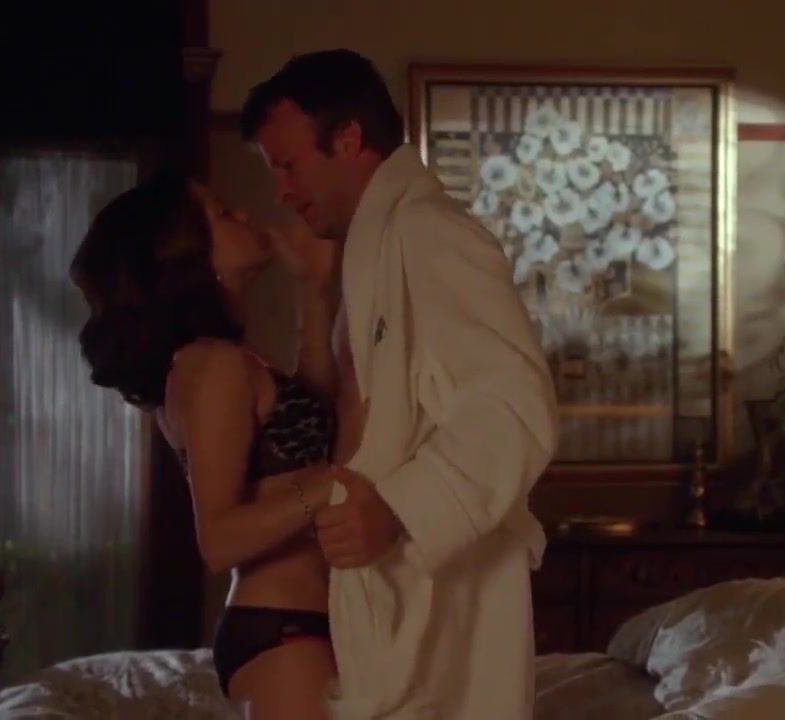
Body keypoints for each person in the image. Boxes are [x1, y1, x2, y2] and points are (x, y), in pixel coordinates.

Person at [240, 49, 560, 718]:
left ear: (348, 139)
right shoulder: (375, 248)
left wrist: (399, 509)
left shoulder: (429, 231)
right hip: (387, 601)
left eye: (289, 166)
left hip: (434, 609)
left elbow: (514, 408)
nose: (282, 193)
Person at [70, 172, 344, 719]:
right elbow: (218, 539)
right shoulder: (213, 366)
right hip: (283, 630)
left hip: (301, 625)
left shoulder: (224, 357)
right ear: (190, 255)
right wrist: (333, 486)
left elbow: (315, 419)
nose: (244, 215)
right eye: (223, 214)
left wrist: (313, 289)